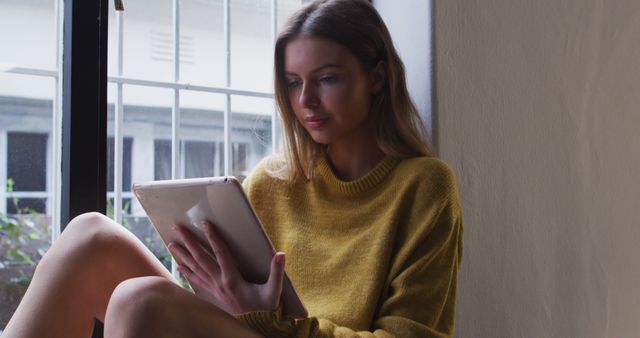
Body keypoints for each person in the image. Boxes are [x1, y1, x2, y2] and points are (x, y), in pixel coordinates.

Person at [3, 0, 463, 337]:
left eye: (327, 79)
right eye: (293, 82)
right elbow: (215, 307)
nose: (306, 101)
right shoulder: (272, 182)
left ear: (377, 77)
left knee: (139, 302)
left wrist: (274, 321)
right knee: (90, 236)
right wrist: (207, 280)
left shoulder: (424, 187)